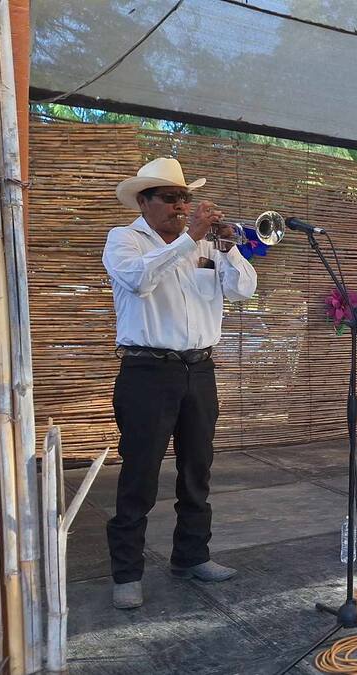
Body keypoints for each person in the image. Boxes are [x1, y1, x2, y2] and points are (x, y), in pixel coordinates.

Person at [104, 157, 257, 609]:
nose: (180, 205)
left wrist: (229, 249)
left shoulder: (205, 248)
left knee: (197, 471)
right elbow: (138, 280)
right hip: (148, 371)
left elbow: (244, 290)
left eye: (184, 198)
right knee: (140, 475)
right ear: (144, 201)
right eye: (171, 198)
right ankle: (127, 573)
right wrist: (189, 237)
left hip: (200, 369)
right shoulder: (125, 240)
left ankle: (191, 556)